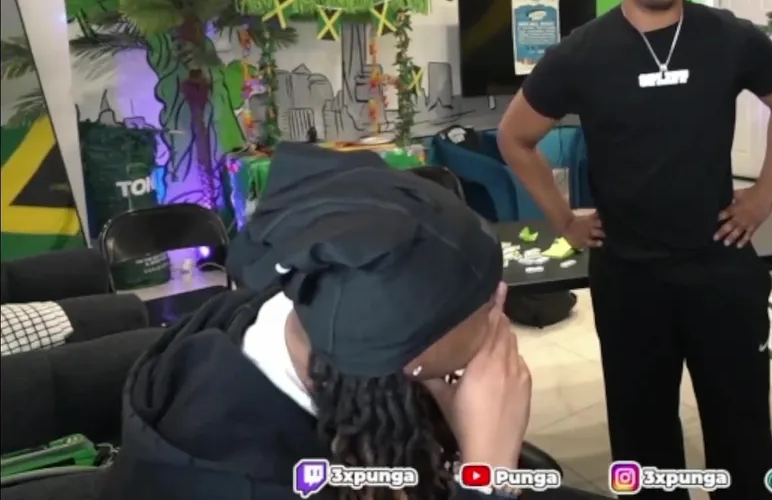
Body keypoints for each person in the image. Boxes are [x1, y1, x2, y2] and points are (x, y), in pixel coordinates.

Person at [497, 0, 772, 499]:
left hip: (719, 266)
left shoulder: (730, 38)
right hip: (629, 277)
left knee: (742, 433)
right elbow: (515, 136)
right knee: (643, 441)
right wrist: (563, 218)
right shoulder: (581, 53)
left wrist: (766, 192)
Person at [96, 144, 542, 500]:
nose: (498, 323)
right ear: (407, 366)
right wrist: (488, 477)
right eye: (487, 311)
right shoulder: (246, 480)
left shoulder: (298, 307)